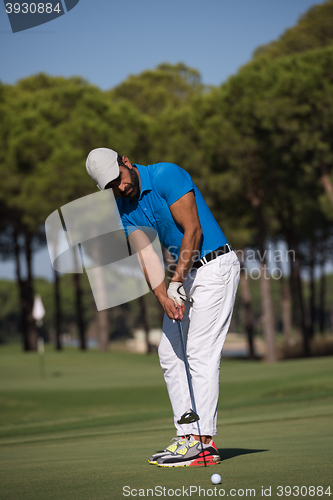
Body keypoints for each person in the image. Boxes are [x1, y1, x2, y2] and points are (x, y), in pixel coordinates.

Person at [86, 147, 240, 467]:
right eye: (110, 186)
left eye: (119, 178)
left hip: (214, 267)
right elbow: (147, 255)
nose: (120, 187)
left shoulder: (166, 175)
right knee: (169, 352)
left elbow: (193, 231)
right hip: (184, 276)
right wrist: (164, 297)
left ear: (125, 162)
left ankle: (203, 441)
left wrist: (175, 282)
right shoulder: (122, 206)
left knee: (198, 351)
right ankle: (186, 435)